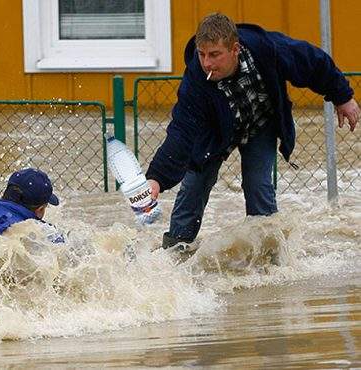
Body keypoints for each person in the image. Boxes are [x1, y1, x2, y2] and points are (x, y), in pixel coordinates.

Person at [146, 13, 360, 252]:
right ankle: (175, 251)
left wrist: (343, 97)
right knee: (195, 182)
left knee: (258, 185)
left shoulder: (267, 49)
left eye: (215, 55)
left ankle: (271, 255)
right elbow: (181, 131)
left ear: (234, 49)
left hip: (260, 125)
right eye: (202, 54)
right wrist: (157, 179)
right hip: (215, 132)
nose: (207, 63)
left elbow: (312, 61)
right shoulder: (197, 79)